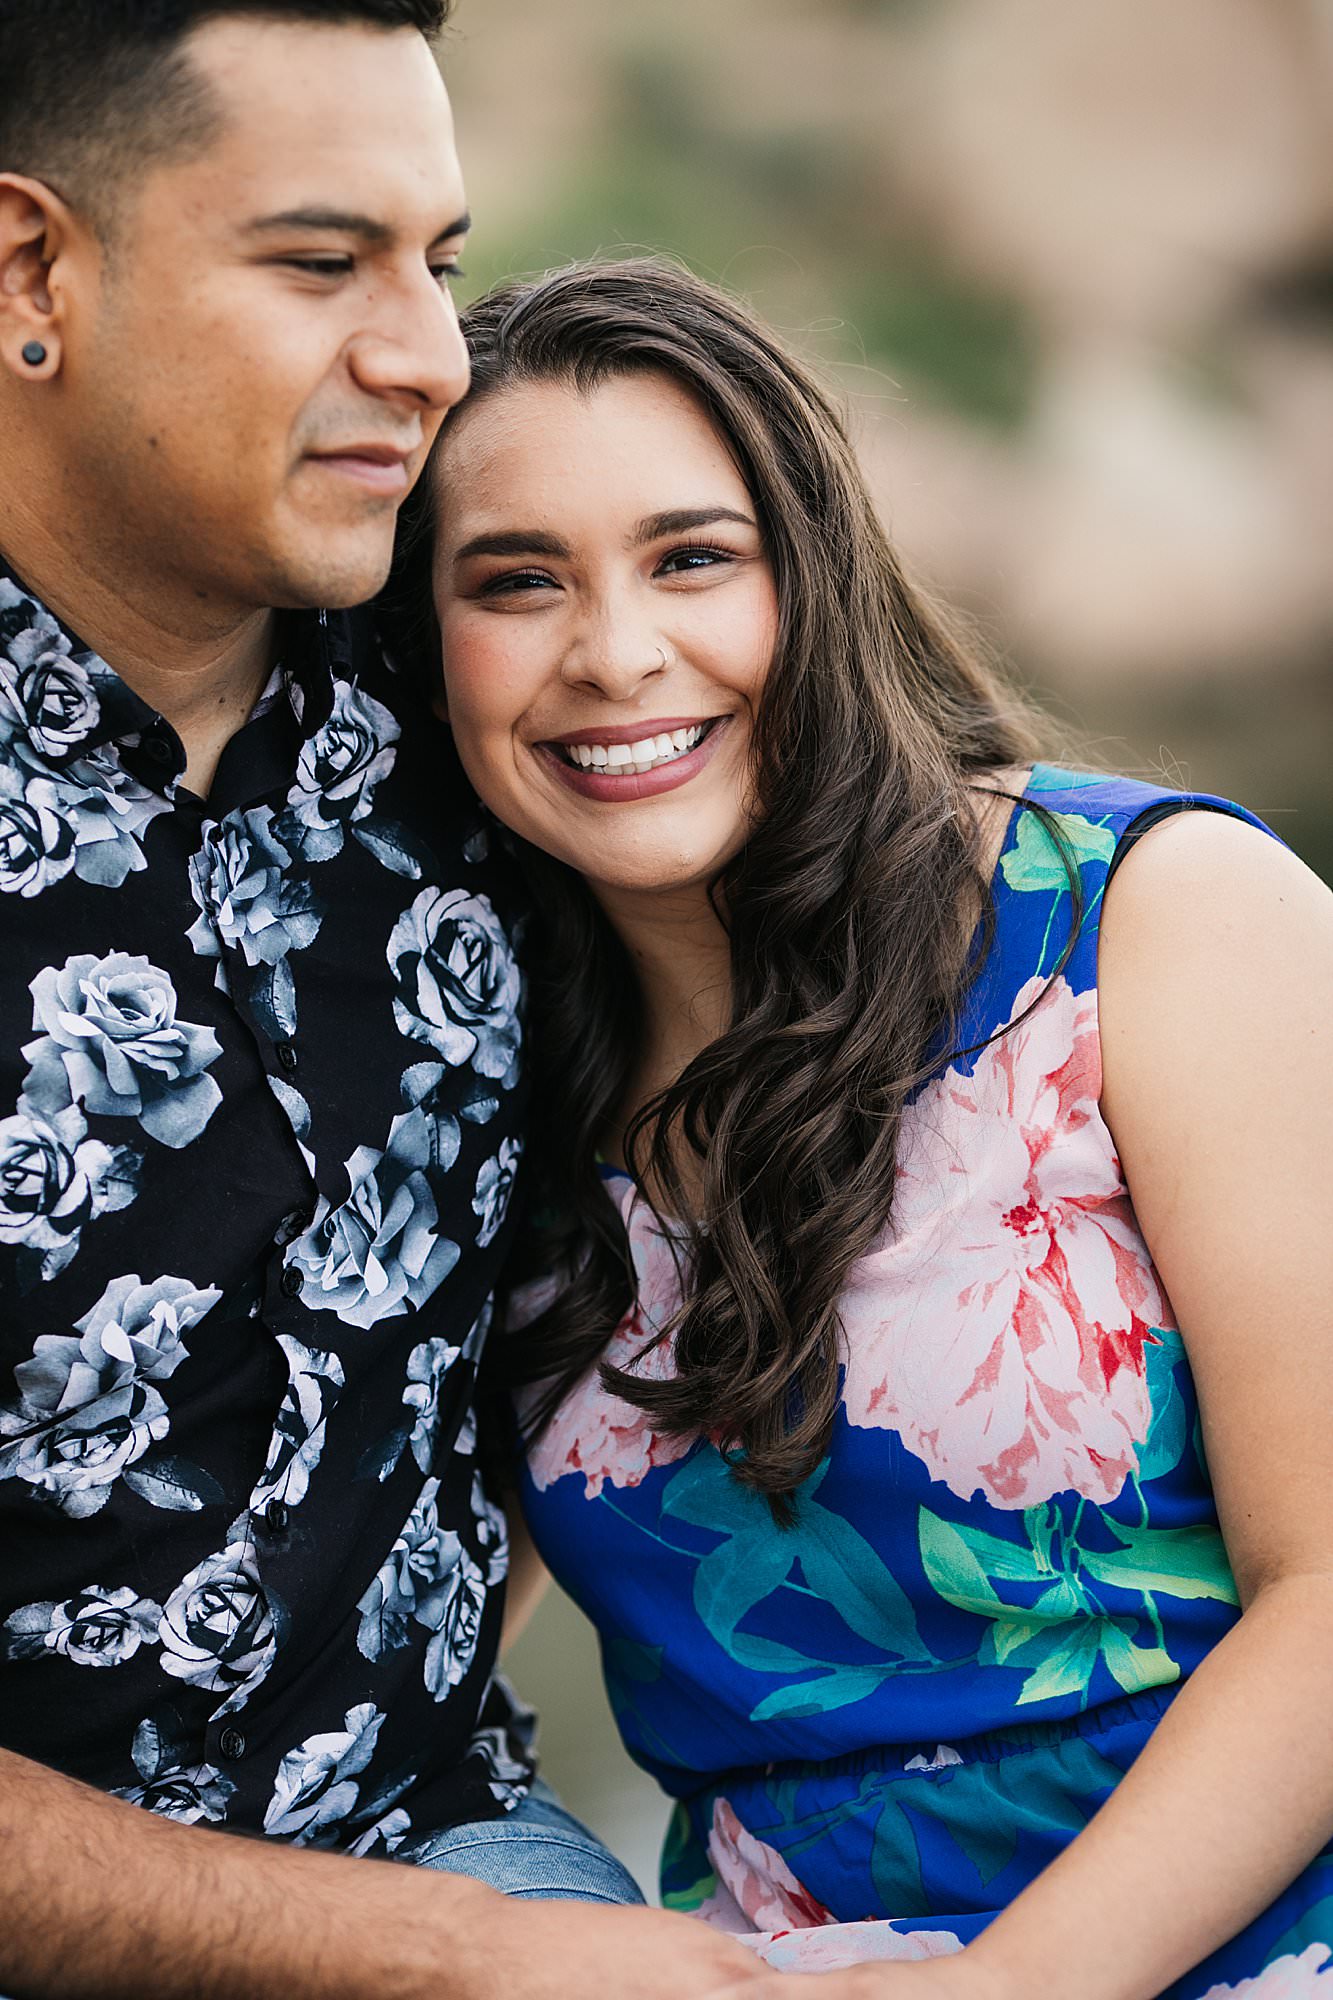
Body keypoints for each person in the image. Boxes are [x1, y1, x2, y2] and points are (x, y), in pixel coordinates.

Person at [414, 258, 1333, 1997]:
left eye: (694, 557)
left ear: (814, 574)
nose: (616, 654)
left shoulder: (1154, 920)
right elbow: (405, 1636)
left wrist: (1012, 1990)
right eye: (515, 582)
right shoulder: (475, 1081)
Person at [0, 11, 775, 1998]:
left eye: (436, 261)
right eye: (320, 262)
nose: (430, 351)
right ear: (30, 273)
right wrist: (437, 1955)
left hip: (450, 1835)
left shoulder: (482, 674)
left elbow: (862, 871)